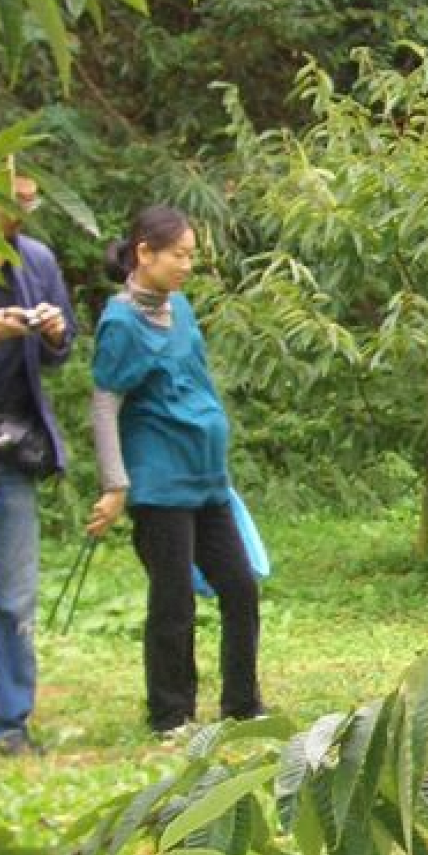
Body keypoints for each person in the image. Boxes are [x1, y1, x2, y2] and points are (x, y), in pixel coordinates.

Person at [84, 207, 264, 736]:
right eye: (179, 255)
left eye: (191, 256)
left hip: (207, 478)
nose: (187, 265)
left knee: (240, 587)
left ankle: (242, 704)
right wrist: (115, 484)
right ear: (144, 253)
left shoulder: (180, 308)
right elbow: (105, 402)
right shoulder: (120, 323)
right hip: (160, 483)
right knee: (173, 599)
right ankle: (171, 713)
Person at [0, 173, 77, 755]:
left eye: (29, 202)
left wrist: (54, 332)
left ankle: (7, 728)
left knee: (14, 601)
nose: (22, 213)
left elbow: (63, 351)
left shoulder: (36, 260)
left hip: (15, 447)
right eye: (13, 202)